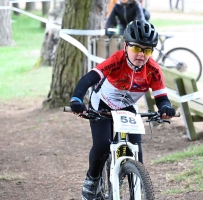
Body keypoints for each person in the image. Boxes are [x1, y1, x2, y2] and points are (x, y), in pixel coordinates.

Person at [70, 20, 176, 200]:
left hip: (127, 107)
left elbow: (161, 98)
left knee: (136, 151)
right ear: (126, 46)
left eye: (147, 50)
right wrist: (77, 98)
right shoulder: (117, 60)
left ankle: (134, 184)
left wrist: (165, 107)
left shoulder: (153, 70)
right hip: (102, 103)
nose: (141, 55)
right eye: (137, 49)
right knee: (103, 145)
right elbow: (89, 79)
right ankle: (92, 180)